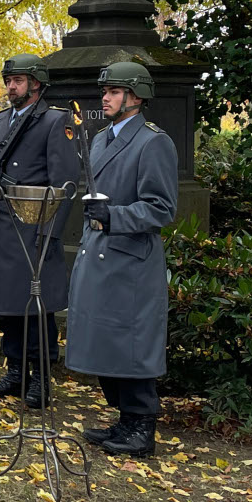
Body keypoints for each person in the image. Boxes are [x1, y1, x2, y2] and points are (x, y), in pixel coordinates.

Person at [66, 60, 178, 457]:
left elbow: (162, 208)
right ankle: (124, 420)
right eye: (105, 92)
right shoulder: (99, 139)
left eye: (113, 91)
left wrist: (115, 216)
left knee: (132, 344)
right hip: (99, 254)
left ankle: (141, 427)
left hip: (130, 260)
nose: (105, 97)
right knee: (107, 341)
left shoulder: (153, 142)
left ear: (135, 96)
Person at [0, 56, 80, 404]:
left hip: (33, 229)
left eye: (17, 80)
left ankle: (41, 379)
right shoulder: (1, 121)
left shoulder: (55, 121)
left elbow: (67, 183)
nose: (10, 87)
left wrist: (51, 235)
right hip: (0, 225)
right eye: (8, 80)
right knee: (5, 306)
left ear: (36, 84)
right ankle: (16, 372)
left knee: (36, 308)